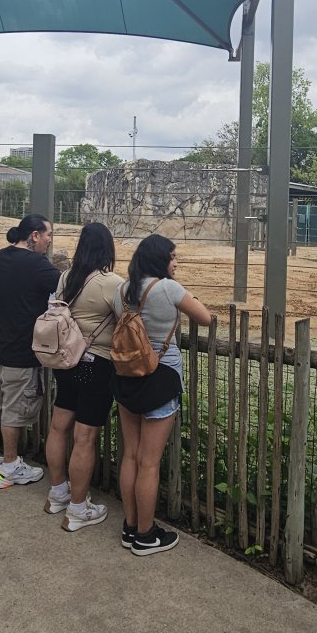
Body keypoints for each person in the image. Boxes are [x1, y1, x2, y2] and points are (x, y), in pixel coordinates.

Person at [109, 233, 212, 555]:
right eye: (172, 257)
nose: (176, 262)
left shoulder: (122, 291)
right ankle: (145, 535)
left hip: (126, 377)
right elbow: (206, 318)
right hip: (160, 377)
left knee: (130, 456)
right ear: (160, 260)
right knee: (150, 463)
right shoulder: (169, 289)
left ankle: (129, 526)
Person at [0, 213, 60, 489]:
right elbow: (65, 287)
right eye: (48, 235)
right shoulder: (37, 264)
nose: (49, 241)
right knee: (13, 411)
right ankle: (9, 466)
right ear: (34, 236)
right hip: (20, 353)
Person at [43, 222, 124, 532]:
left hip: (67, 362)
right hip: (97, 365)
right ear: (108, 249)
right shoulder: (111, 283)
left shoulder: (66, 277)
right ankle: (78, 509)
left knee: (58, 425)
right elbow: (128, 319)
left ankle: (58, 492)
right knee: (85, 437)